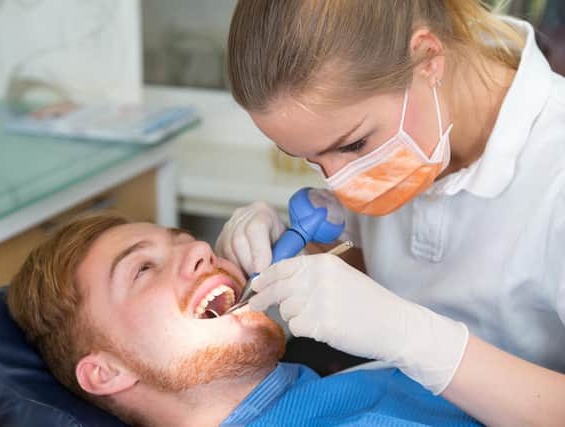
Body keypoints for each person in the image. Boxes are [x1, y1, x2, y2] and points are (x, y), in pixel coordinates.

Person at [216, 1, 565, 425]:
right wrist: (307, 258)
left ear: (427, 59)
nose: (338, 183)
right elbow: (393, 283)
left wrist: (417, 339)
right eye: (307, 158)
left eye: (353, 145)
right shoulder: (413, 140)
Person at [7, 213, 480, 426]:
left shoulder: (332, 381)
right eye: (143, 268)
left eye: (184, 239)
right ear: (106, 371)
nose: (199, 248)